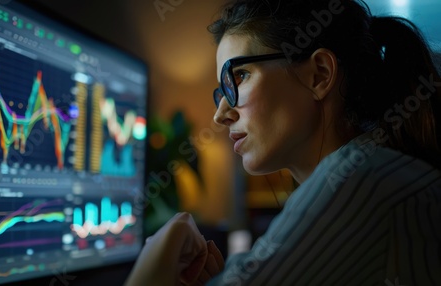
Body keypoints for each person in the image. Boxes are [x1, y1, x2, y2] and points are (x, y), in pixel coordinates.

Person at [125, 0, 441, 285]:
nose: (220, 115)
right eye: (221, 92)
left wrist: (153, 263)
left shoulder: (356, 180)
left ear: (319, 74)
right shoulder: (371, 169)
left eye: (240, 76)